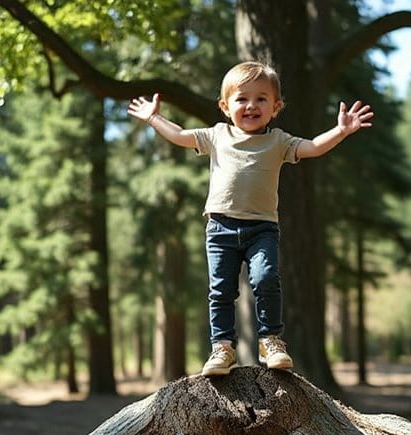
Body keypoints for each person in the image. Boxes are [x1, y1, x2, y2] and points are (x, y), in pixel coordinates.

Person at [127, 61, 373, 377]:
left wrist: (340, 131)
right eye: (242, 99)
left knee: (266, 278)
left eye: (261, 99)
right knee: (220, 290)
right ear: (225, 106)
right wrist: (154, 118)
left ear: (276, 107)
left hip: (262, 228)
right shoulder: (216, 135)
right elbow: (179, 135)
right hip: (220, 227)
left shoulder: (279, 141)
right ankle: (222, 348)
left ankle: (270, 340)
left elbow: (312, 148)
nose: (251, 105)